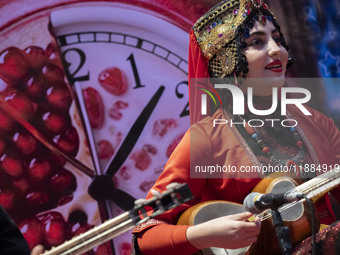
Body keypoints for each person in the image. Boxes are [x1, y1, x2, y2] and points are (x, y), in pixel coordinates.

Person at [131, 0, 340, 254]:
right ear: (228, 61)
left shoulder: (316, 122)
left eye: (277, 38)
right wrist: (203, 234)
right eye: (257, 42)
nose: (276, 50)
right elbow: (146, 234)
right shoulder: (205, 139)